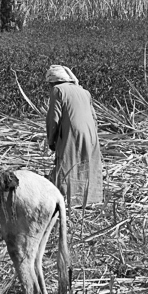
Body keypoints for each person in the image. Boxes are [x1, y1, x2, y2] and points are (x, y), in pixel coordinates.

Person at [45, 65, 104, 206]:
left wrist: (51, 140)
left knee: (68, 161)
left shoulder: (58, 90)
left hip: (72, 131)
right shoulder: (84, 91)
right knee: (87, 161)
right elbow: (94, 117)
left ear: (53, 81)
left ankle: (69, 199)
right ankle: (90, 199)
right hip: (90, 133)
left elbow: (54, 118)